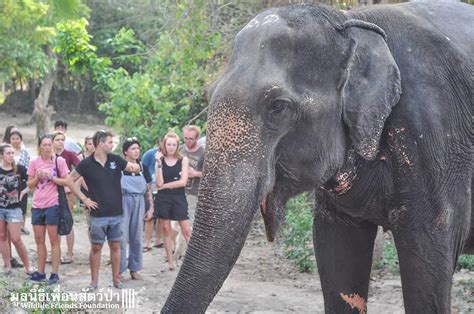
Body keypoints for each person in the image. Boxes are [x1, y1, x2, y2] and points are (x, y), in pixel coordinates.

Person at [64, 130, 141, 290]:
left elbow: (132, 168)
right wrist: (84, 199)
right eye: (110, 142)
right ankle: (94, 282)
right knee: (96, 247)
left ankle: (116, 279)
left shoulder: (116, 160)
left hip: (117, 213)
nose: (112, 145)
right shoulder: (86, 163)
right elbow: (69, 180)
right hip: (98, 215)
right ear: (100, 143)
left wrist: (137, 165)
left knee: (115, 246)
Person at [27, 134, 70, 285]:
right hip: (37, 205)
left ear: (52, 145)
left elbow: (67, 181)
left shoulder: (59, 161)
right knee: (39, 240)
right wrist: (38, 177)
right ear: (39, 147)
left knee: (54, 240)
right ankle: (40, 272)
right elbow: (30, 185)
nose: (47, 148)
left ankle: (55, 273)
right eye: (44, 145)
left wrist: (51, 177)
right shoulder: (34, 162)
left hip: (53, 204)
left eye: (48, 145)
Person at [154, 132, 192, 271]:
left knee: (186, 229)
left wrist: (164, 186)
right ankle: (170, 262)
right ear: (164, 145)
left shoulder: (183, 160)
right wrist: (158, 163)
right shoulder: (160, 161)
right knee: (166, 230)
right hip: (163, 199)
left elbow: (182, 182)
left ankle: (193, 261)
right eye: (168, 144)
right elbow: (159, 182)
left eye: (174, 144)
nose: (171, 147)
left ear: (177, 146)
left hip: (178, 197)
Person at [119, 137, 154, 280]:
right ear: (125, 152)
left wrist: (151, 206)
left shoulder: (142, 167)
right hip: (123, 200)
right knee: (121, 236)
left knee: (137, 236)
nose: (136, 151)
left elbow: (148, 189)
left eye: (138, 148)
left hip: (139, 201)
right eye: (133, 148)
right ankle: (119, 270)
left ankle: (135, 268)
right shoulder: (121, 167)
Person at [0, 144, 34, 275]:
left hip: (14, 208)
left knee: (16, 238)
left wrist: (23, 192)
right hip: (1, 208)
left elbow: (32, 182)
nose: (11, 156)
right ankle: (7, 265)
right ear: (2, 155)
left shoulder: (19, 169)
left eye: (12, 153)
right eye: (8, 153)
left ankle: (28, 266)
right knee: (2, 236)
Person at [52, 131, 80, 264]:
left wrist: (73, 182)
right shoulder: (49, 155)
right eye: (57, 139)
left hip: (66, 190)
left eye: (62, 139)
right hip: (51, 191)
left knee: (68, 220)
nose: (60, 142)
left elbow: (81, 168)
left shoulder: (69, 154)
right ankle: (54, 253)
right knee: (53, 222)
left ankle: (70, 253)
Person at [141, 139, 164, 251]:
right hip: (151, 187)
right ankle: (147, 242)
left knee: (161, 216)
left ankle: (159, 240)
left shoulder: (171, 156)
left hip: (164, 188)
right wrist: (147, 184)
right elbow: (143, 168)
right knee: (150, 216)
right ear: (159, 142)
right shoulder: (150, 154)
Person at [180, 125, 205, 222]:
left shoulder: (203, 153)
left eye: (191, 139)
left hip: (193, 192)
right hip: (178, 191)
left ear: (197, 138)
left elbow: (210, 174)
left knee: (190, 221)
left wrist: (195, 173)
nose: (188, 141)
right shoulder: (180, 149)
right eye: (185, 138)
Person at [9, 130, 30, 235]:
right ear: (10, 140)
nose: (15, 141)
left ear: (21, 140)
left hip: (22, 180)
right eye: (13, 138)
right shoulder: (7, 151)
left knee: (23, 202)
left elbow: (27, 166)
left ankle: (22, 226)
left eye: (17, 138)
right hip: (9, 181)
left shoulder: (24, 152)